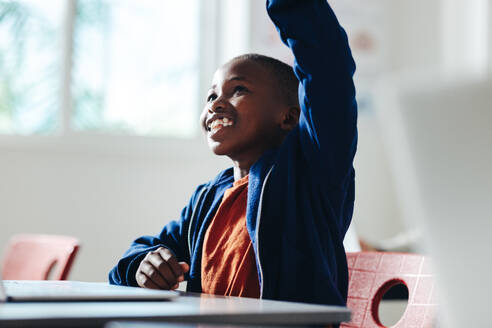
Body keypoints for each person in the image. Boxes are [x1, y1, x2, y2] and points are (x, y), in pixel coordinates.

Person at [109, 0, 357, 307]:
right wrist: (143, 265)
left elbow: (327, 63)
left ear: (290, 118)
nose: (215, 103)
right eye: (212, 94)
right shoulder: (207, 200)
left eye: (238, 90)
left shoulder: (310, 174)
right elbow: (140, 253)